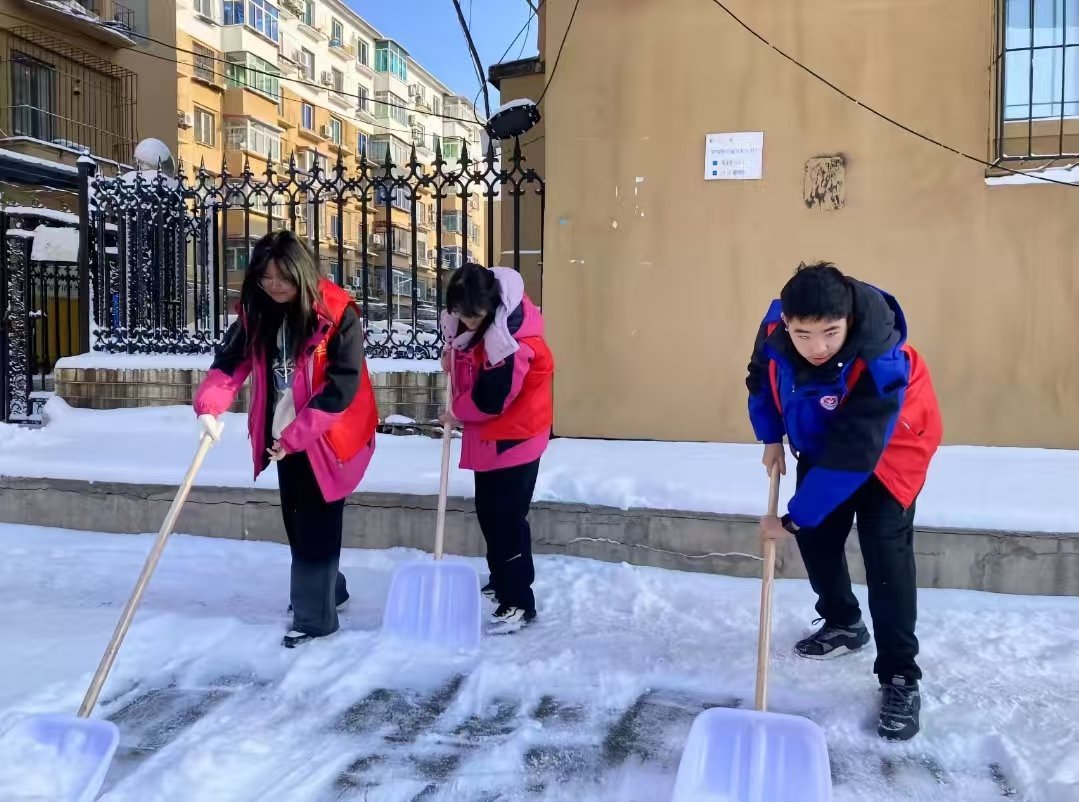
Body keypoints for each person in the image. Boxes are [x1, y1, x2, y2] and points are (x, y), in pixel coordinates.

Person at [746, 262, 942, 741]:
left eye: (830, 333)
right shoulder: (774, 331)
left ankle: (900, 675)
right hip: (824, 436)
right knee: (818, 538)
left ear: (848, 320)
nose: (817, 347)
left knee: (885, 557)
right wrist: (770, 436)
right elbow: (761, 378)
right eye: (803, 335)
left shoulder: (882, 357)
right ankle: (844, 623)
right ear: (786, 323)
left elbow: (856, 452)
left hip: (892, 451)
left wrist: (791, 520)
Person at [193, 230, 378, 649]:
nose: (274, 285)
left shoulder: (337, 313)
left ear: (302, 272)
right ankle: (327, 590)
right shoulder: (258, 313)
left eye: (283, 277)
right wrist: (209, 407)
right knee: (297, 520)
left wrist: (297, 435)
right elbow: (229, 364)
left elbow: (343, 387)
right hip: (283, 434)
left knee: (317, 524)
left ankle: (315, 620)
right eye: (265, 277)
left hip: (331, 436)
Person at [440, 263, 554, 631]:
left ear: (492, 306)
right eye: (461, 314)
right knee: (490, 514)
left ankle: (518, 600)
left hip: (515, 439)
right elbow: (471, 359)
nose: (467, 322)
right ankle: (501, 578)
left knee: (506, 520)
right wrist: (452, 358)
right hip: (493, 437)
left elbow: (492, 399)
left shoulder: (516, 342)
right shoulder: (478, 323)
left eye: (474, 315)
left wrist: (456, 411)